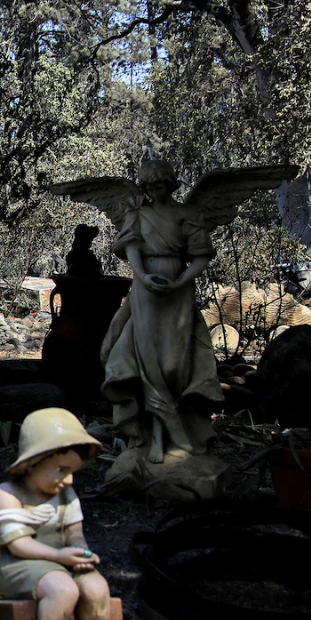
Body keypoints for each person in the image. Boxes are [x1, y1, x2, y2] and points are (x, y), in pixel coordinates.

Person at [99, 159, 223, 463]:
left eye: (160, 185)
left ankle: (178, 430)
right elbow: (131, 250)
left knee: (174, 365)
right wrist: (142, 278)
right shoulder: (137, 214)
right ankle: (159, 436)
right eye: (150, 186)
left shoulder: (186, 214)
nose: (155, 190)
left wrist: (180, 280)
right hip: (146, 289)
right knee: (149, 363)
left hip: (177, 290)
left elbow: (201, 255)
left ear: (171, 184)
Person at [0, 407, 119, 620]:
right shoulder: (9, 493)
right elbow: (18, 545)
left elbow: (75, 535)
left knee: (96, 587)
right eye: (62, 470)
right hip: (20, 567)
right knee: (63, 588)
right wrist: (60, 556)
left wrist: (82, 554)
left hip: (61, 562)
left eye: (73, 472)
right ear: (33, 462)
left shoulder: (66, 494)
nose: (69, 479)